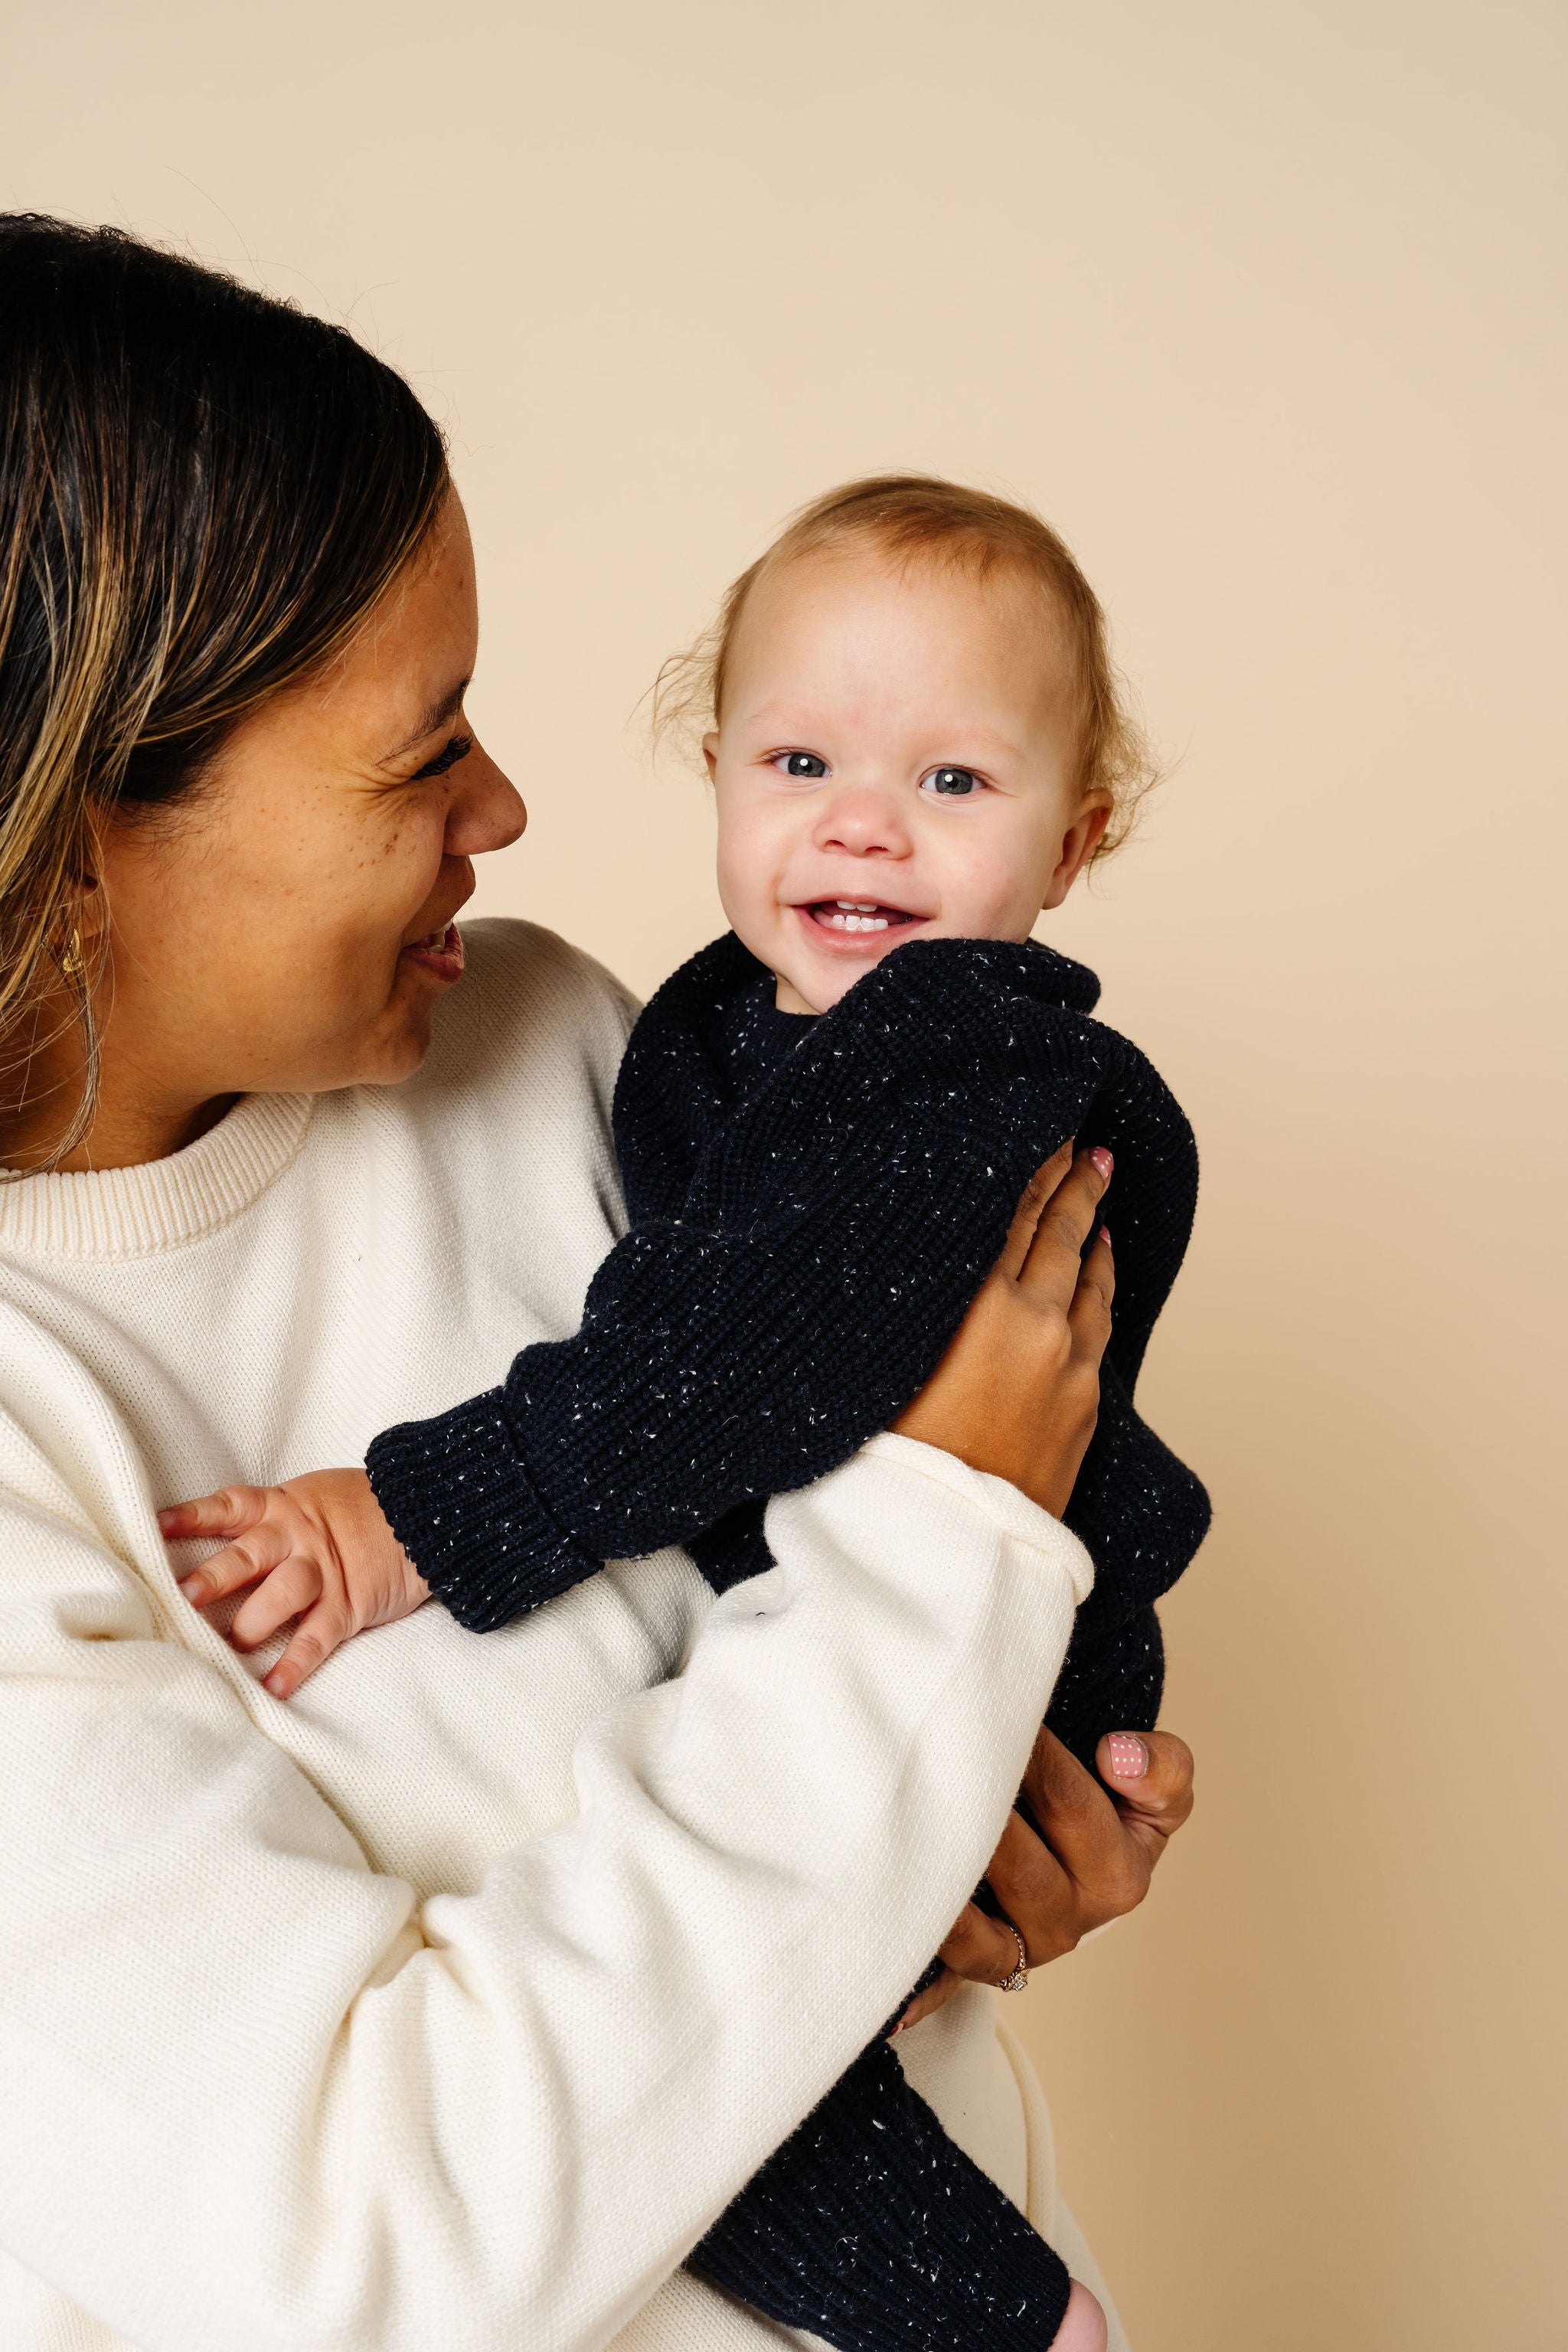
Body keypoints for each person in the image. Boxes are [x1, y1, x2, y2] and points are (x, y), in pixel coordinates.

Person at [0, 214, 1194, 2352]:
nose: (513, 804)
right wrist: (953, 1543)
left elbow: (801, 1662)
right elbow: (367, 2249)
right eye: (420, 745)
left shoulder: (550, 1040)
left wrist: (1007, 1802)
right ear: (83, 828)